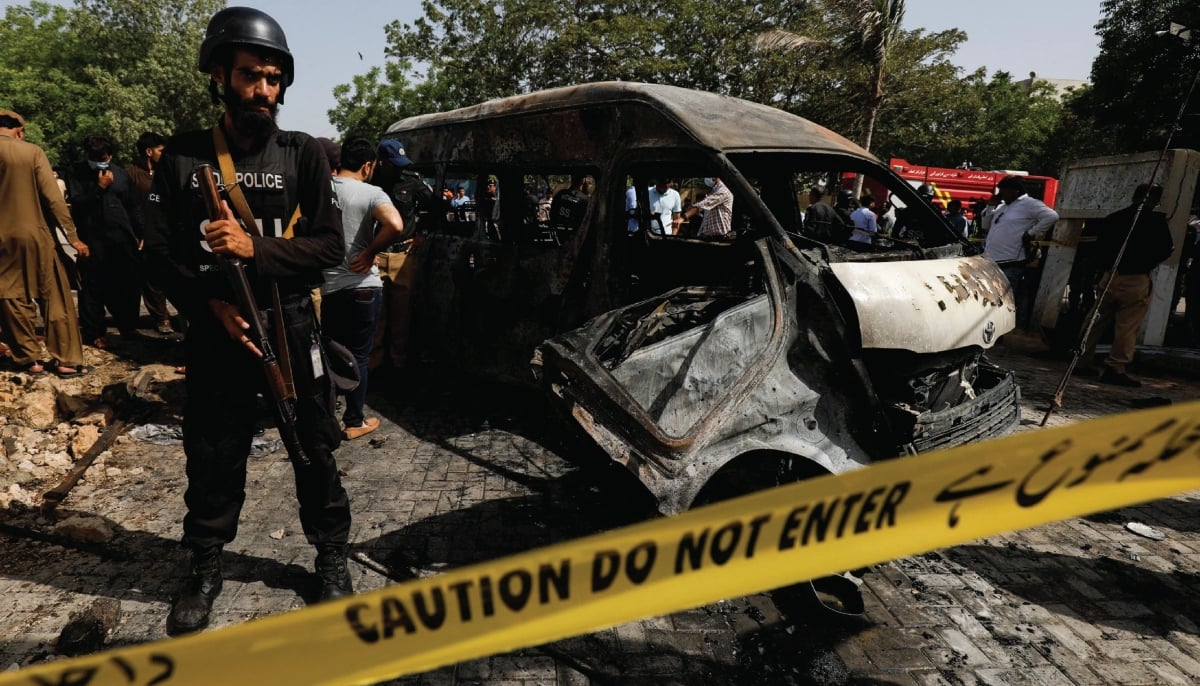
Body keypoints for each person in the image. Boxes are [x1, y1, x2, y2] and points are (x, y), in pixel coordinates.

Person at [141, 6, 353, 635]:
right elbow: (158, 252)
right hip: (218, 330)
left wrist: (254, 249)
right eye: (249, 75)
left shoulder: (304, 153)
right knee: (212, 453)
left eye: (272, 78)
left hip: (289, 326)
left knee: (313, 446)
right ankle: (205, 566)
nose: (263, 89)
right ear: (220, 77)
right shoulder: (182, 156)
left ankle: (332, 556)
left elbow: (328, 247)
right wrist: (210, 302)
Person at [323, 137, 404, 440]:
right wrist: (370, 252)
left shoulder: (322, 189)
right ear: (368, 166)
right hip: (362, 288)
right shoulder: (371, 192)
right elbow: (395, 225)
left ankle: (325, 417)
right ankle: (354, 420)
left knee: (330, 354)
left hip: (330, 287)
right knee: (358, 355)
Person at [0, 109, 91, 377]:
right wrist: (73, 236)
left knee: (10, 295)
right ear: (18, 130)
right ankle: (65, 360)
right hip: (35, 234)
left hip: (2, 240)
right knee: (55, 295)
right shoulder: (31, 152)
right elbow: (54, 198)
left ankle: (30, 360)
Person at [1079, 184, 1175, 387]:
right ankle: (1115, 367)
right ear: (1155, 200)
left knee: (1095, 320)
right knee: (1127, 326)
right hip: (1136, 278)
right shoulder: (1155, 221)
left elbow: (1099, 247)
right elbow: (1166, 249)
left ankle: (1080, 359)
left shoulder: (1114, 218)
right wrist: (1146, 262)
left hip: (1110, 275)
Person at [66, 134, 145, 348]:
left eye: (107, 155)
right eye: (98, 156)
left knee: (128, 284)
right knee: (93, 287)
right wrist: (99, 188)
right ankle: (94, 333)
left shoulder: (120, 173)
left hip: (122, 238)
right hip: (93, 239)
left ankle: (128, 327)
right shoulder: (76, 173)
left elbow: (133, 205)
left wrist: (141, 233)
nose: (104, 159)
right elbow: (78, 204)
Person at [983, 176, 1059, 327]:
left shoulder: (1029, 204)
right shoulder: (1004, 206)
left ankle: (1006, 328)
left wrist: (1031, 233)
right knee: (992, 297)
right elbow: (985, 226)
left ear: (1015, 191)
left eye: (1003, 191)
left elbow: (1052, 216)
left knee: (1006, 299)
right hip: (992, 260)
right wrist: (990, 207)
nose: (1001, 194)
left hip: (1011, 260)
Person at [128, 131, 175, 335]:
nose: (164, 154)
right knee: (151, 280)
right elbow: (131, 207)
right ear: (149, 152)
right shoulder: (131, 175)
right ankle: (161, 318)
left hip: (168, 234)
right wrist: (141, 234)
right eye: (160, 150)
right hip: (144, 236)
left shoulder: (168, 172)